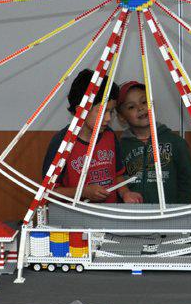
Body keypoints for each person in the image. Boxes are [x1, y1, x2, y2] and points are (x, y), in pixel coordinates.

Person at [42, 69, 143, 204]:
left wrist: (125, 193)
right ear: (80, 111)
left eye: (111, 111)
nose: (108, 118)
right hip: (77, 216)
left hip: (109, 213)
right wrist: (82, 192)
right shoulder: (62, 143)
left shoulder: (109, 135)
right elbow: (49, 192)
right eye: (102, 112)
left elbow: (117, 175)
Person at [115, 80, 191, 204]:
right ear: (121, 117)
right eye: (131, 107)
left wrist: (180, 207)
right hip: (133, 213)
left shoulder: (175, 142)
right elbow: (116, 180)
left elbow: (187, 179)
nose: (140, 108)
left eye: (144, 102)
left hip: (170, 212)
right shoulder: (119, 147)